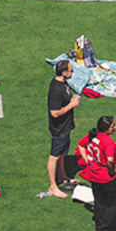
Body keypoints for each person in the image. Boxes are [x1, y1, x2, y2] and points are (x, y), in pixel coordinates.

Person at [77, 115, 116, 231]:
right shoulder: (108, 142)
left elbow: (81, 145)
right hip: (107, 178)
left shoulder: (93, 135)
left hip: (94, 175)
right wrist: (112, 171)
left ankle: (99, 223)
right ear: (106, 129)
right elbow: (110, 160)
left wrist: (88, 160)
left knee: (99, 202)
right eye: (113, 127)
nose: (115, 128)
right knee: (113, 204)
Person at [46, 60, 80, 197]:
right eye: (71, 71)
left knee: (62, 153)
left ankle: (63, 176)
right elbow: (54, 113)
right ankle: (53, 186)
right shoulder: (56, 89)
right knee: (54, 155)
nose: (72, 73)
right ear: (64, 73)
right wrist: (71, 105)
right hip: (59, 128)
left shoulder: (62, 83)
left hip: (66, 125)